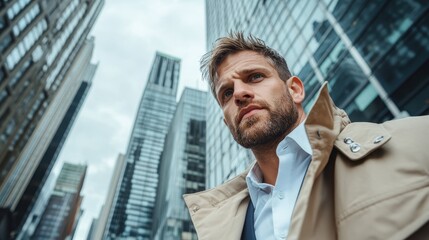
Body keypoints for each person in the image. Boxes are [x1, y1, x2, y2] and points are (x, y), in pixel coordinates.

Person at [183, 32, 429, 240]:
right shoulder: (222, 227)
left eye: (255, 77)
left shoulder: (416, 141)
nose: (239, 94)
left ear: (295, 90)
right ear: (226, 122)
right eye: (226, 93)